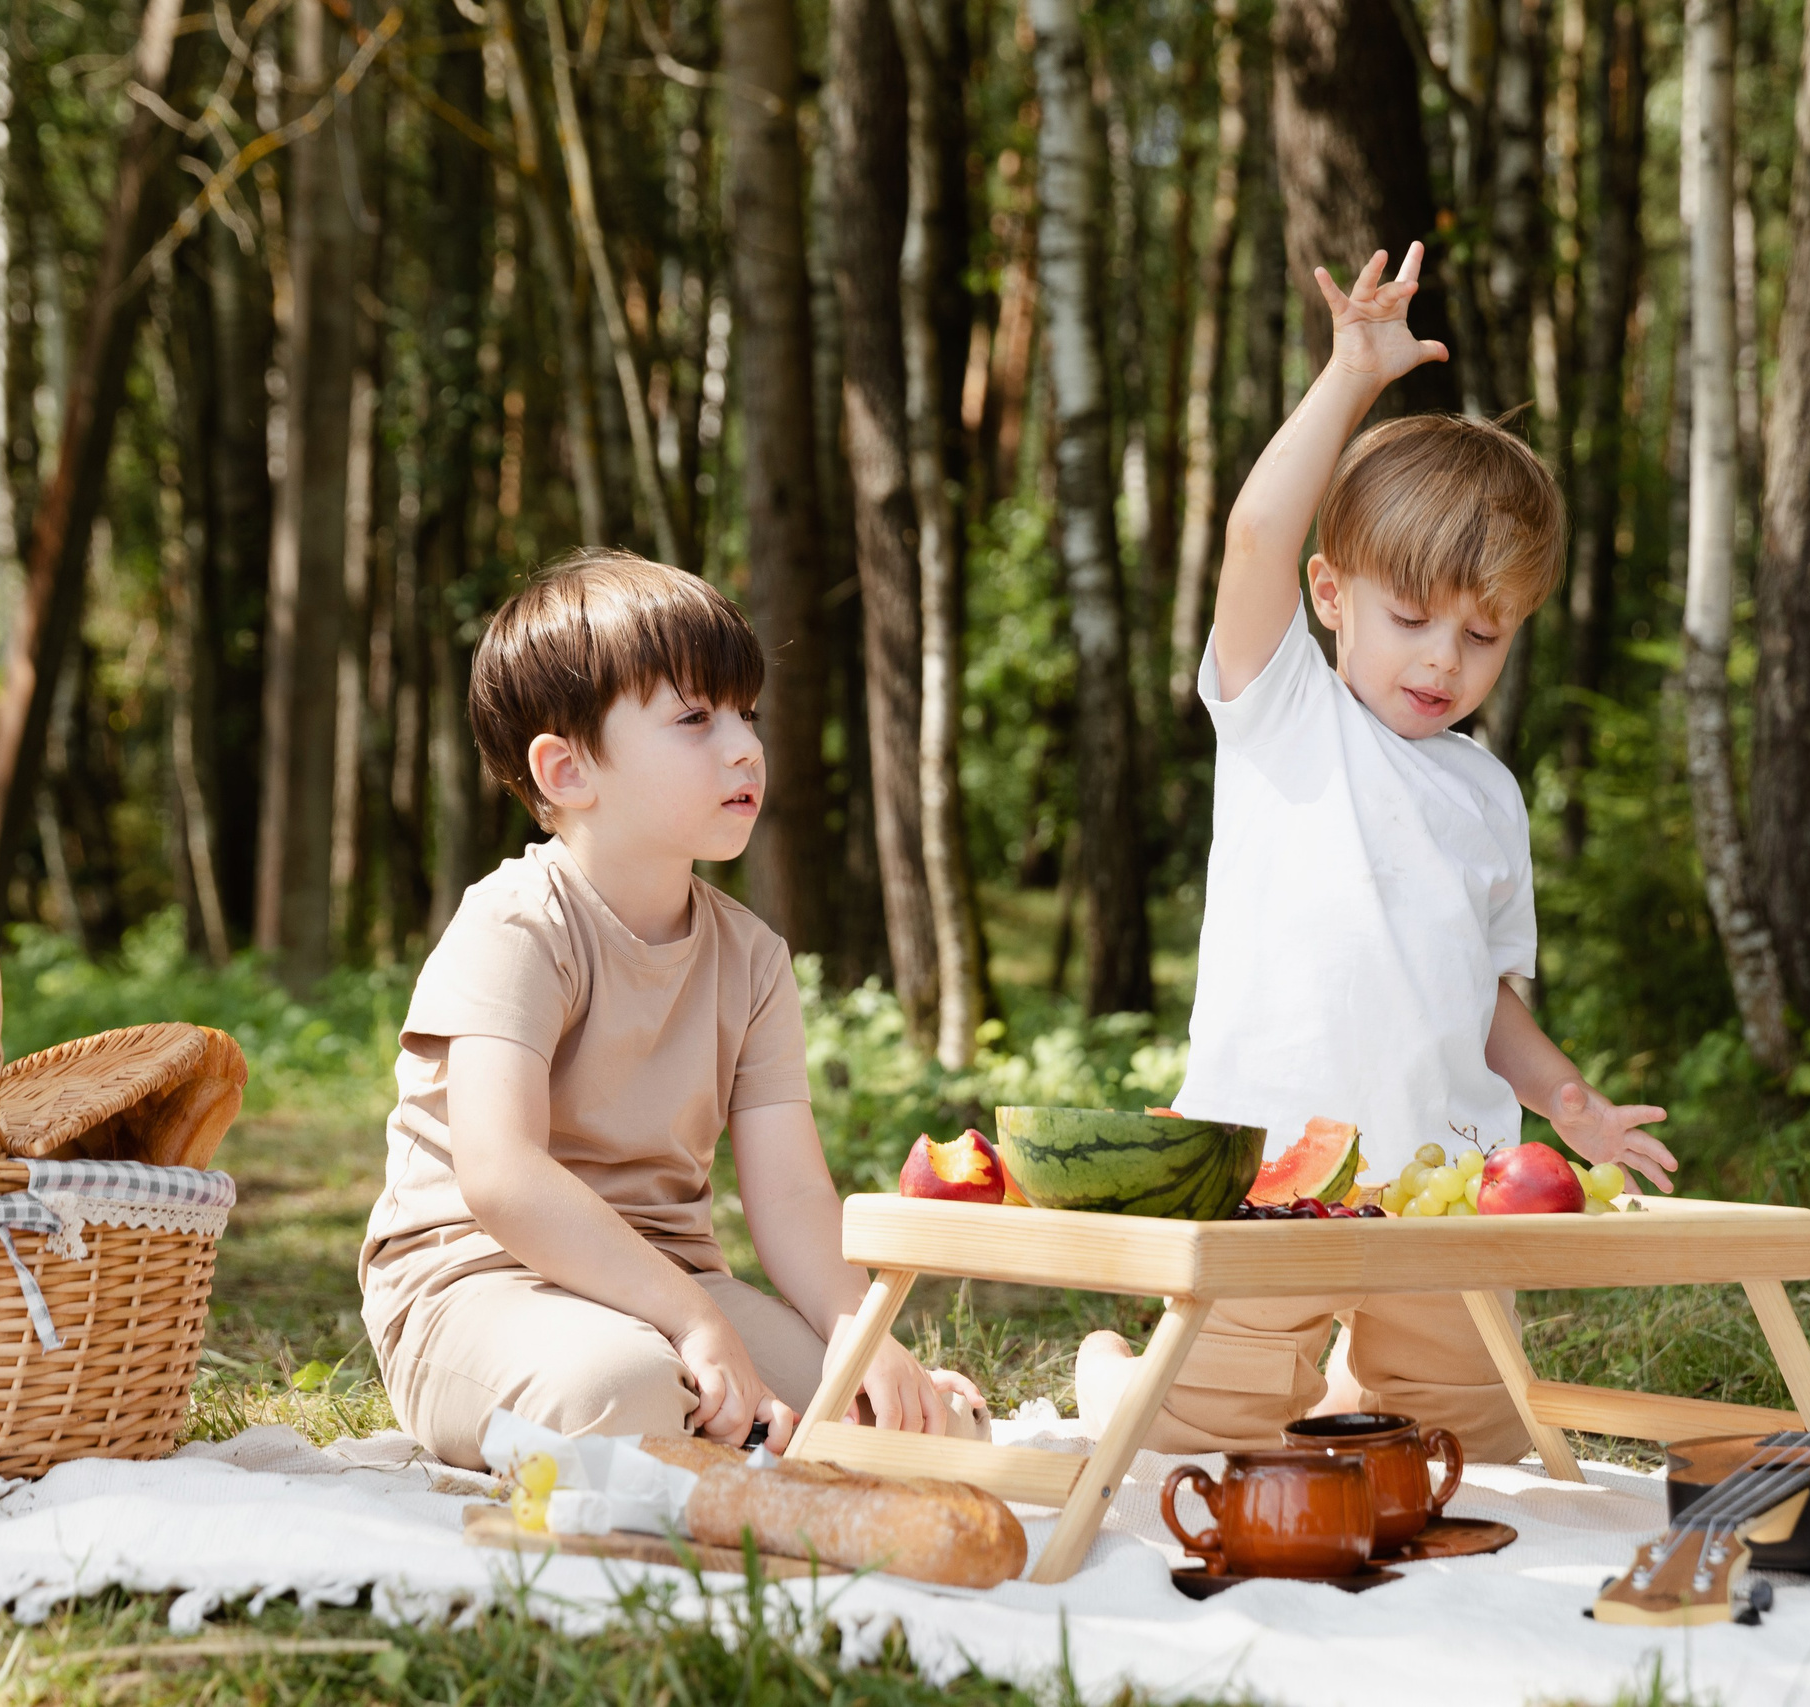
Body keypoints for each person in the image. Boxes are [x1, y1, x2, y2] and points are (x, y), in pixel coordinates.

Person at [1077, 244, 1679, 1460]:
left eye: (1482, 634)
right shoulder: (1283, 712)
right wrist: (1350, 376)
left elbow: (1484, 1001)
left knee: (1468, 1452)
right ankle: (1113, 1375)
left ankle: (1365, 1374)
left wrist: (1569, 1103)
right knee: (1193, 1439)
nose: (1440, 661)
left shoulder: (1488, 796)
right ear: (1331, 593)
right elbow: (1251, 532)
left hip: (1439, 1189)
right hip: (1262, 1174)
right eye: (1409, 618)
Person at [361, 547, 980, 1470]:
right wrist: (692, 1320)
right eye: (695, 718)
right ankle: (693, 1423)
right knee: (623, 1394)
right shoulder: (516, 924)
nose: (744, 747)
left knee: (907, 1423)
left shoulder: (753, 959)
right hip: (479, 1284)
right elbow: (500, 1174)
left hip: (676, 1287)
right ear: (567, 771)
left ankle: (730, 1425)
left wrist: (861, 1333)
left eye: (748, 715)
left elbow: (795, 1193)